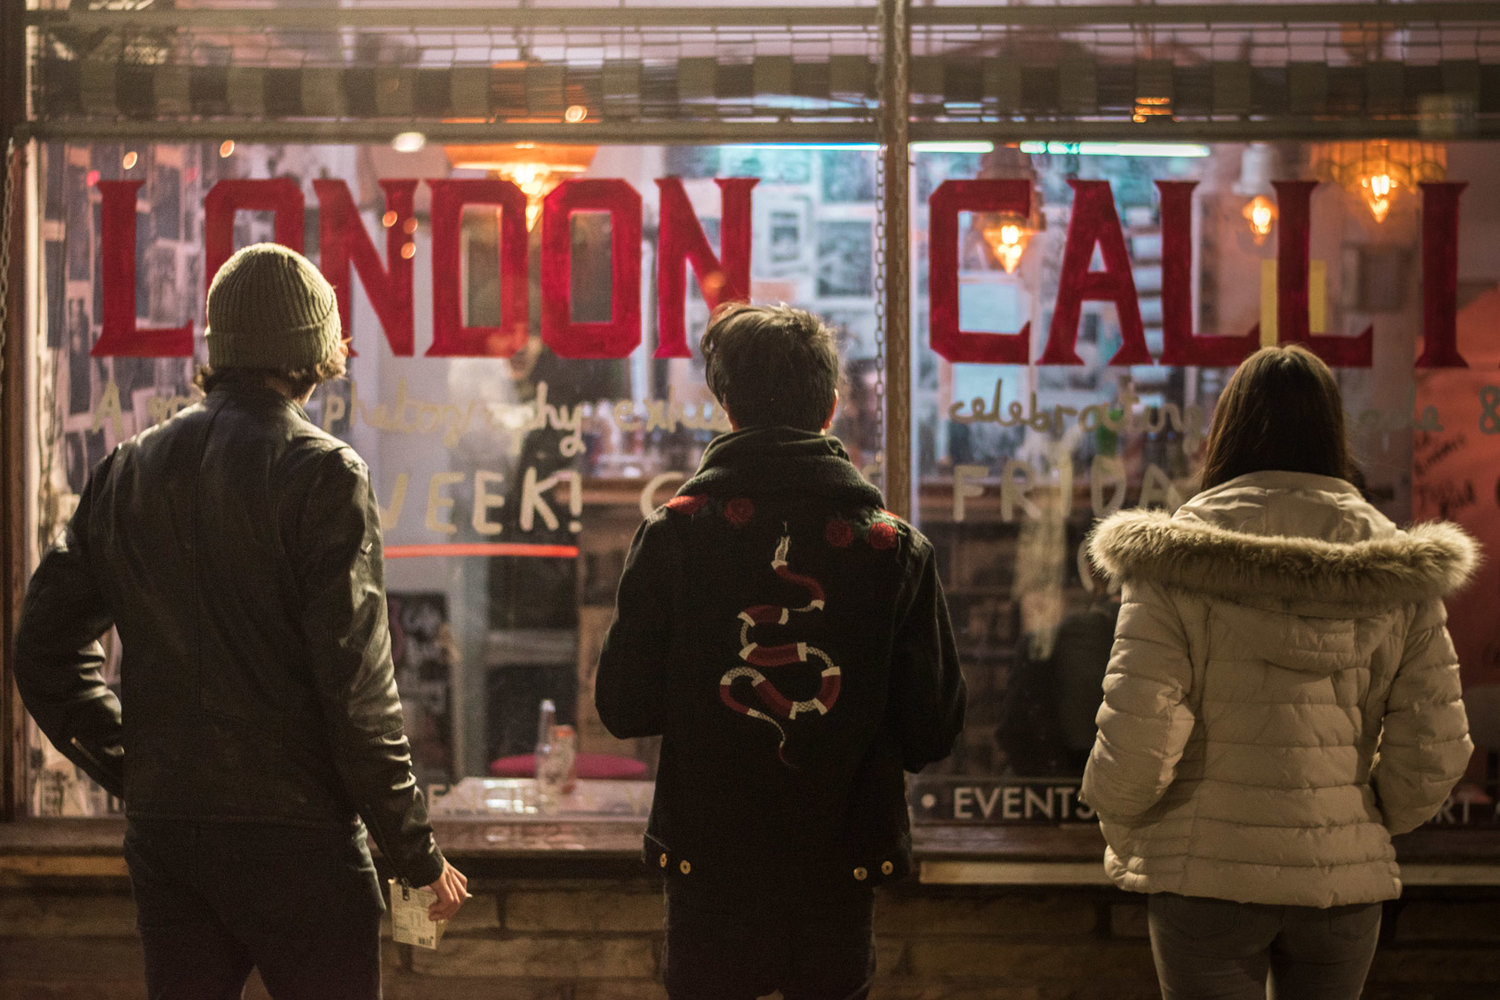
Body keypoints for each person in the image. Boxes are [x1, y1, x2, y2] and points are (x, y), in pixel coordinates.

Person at [15, 242, 468, 1000]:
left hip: (170, 840)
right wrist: (413, 853)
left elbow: (42, 649)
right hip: (303, 844)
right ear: (312, 351)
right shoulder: (325, 472)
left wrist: (135, 764)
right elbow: (357, 693)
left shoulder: (128, 468)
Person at [1080, 344, 1476, 1000]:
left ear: (1227, 430)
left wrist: (1125, 825)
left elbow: (1136, 744)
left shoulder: (1172, 556)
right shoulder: (1399, 566)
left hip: (1203, 880)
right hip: (1340, 890)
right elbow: (1436, 748)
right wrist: (1363, 819)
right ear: (1333, 431)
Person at [595, 302, 966, 1000]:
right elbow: (931, 728)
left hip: (710, 864)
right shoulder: (892, 550)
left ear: (726, 406)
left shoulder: (675, 537)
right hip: (840, 867)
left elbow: (623, 706)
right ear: (831, 407)